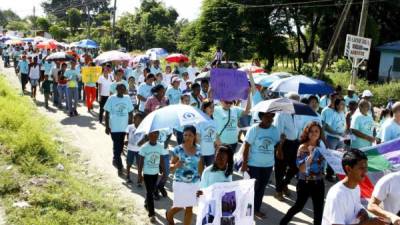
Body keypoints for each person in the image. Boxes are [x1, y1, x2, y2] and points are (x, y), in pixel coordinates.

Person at [322, 149, 386, 225]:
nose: (366, 171)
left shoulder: (356, 187)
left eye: (366, 167)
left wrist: (363, 212)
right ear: (348, 169)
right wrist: (367, 223)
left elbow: (357, 207)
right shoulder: (337, 195)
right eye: (361, 168)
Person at [280, 122, 326, 225]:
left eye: (316, 131)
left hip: (319, 182)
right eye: (311, 131)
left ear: (320, 133)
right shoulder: (303, 147)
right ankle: (283, 222)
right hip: (305, 182)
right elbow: (301, 169)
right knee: (298, 206)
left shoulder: (321, 145)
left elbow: (325, 161)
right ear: (307, 132)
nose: (314, 133)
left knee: (319, 211)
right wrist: (309, 157)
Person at [241, 112, 281, 218]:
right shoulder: (254, 129)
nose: (269, 119)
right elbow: (246, 146)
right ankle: (246, 208)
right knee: (253, 188)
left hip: (268, 166)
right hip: (254, 164)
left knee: (261, 188)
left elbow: (278, 150)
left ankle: (256, 210)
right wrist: (244, 163)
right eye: (266, 116)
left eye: (272, 116)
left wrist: (282, 143)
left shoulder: (275, 130)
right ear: (261, 117)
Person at [166, 125, 204, 225]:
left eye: (190, 135)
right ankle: (169, 215)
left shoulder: (199, 149)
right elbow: (170, 168)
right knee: (179, 206)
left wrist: (201, 182)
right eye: (185, 135)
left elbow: (200, 167)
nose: (187, 137)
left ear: (195, 136)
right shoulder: (178, 149)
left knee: (189, 207)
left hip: (194, 183)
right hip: (180, 182)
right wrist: (176, 165)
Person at [273, 93, 302, 200]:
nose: (296, 103)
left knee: (295, 167)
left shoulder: (298, 113)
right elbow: (278, 131)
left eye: (297, 101)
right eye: (293, 100)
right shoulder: (281, 114)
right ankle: (278, 191)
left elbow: (298, 129)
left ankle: (284, 183)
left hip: (295, 143)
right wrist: (279, 146)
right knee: (280, 169)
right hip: (283, 144)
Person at [104, 83, 134, 175]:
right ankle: (120, 167)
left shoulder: (127, 98)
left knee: (120, 146)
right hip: (114, 127)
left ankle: (115, 158)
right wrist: (107, 126)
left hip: (124, 128)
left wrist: (130, 125)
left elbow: (131, 112)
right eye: (120, 88)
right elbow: (107, 113)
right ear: (116, 89)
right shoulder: (111, 98)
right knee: (117, 147)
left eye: (123, 89)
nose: (122, 90)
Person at [137, 130, 167, 223]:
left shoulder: (160, 147)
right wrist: (139, 174)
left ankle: (147, 203)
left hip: (155, 173)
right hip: (146, 173)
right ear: (148, 135)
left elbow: (161, 159)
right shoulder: (144, 147)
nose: (154, 136)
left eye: (156, 134)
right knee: (150, 193)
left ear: (158, 136)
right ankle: (152, 214)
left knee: (152, 190)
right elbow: (140, 162)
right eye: (152, 134)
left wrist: (164, 170)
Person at [125, 112, 145, 184]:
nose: (138, 121)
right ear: (134, 119)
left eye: (140, 120)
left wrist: (142, 143)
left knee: (139, 165)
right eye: (136, 119)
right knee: (129, 163)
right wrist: (127, 140)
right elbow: (127, 134)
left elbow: (145, 138)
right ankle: (127, 176)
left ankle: (139, 177)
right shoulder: (130, 127)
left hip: (139, 150)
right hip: (130, 149)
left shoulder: (143, 129)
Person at [198, 100, 218, 167]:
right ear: (204, 108)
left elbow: (214, 138)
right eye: (210, 107)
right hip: (201, 153)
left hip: (211, 153)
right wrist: (197, 152)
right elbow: (197, 137)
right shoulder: (199, 121)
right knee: (200, 174)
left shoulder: (214, 121)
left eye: (213, 107)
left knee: (209, 174)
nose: (212, 109)